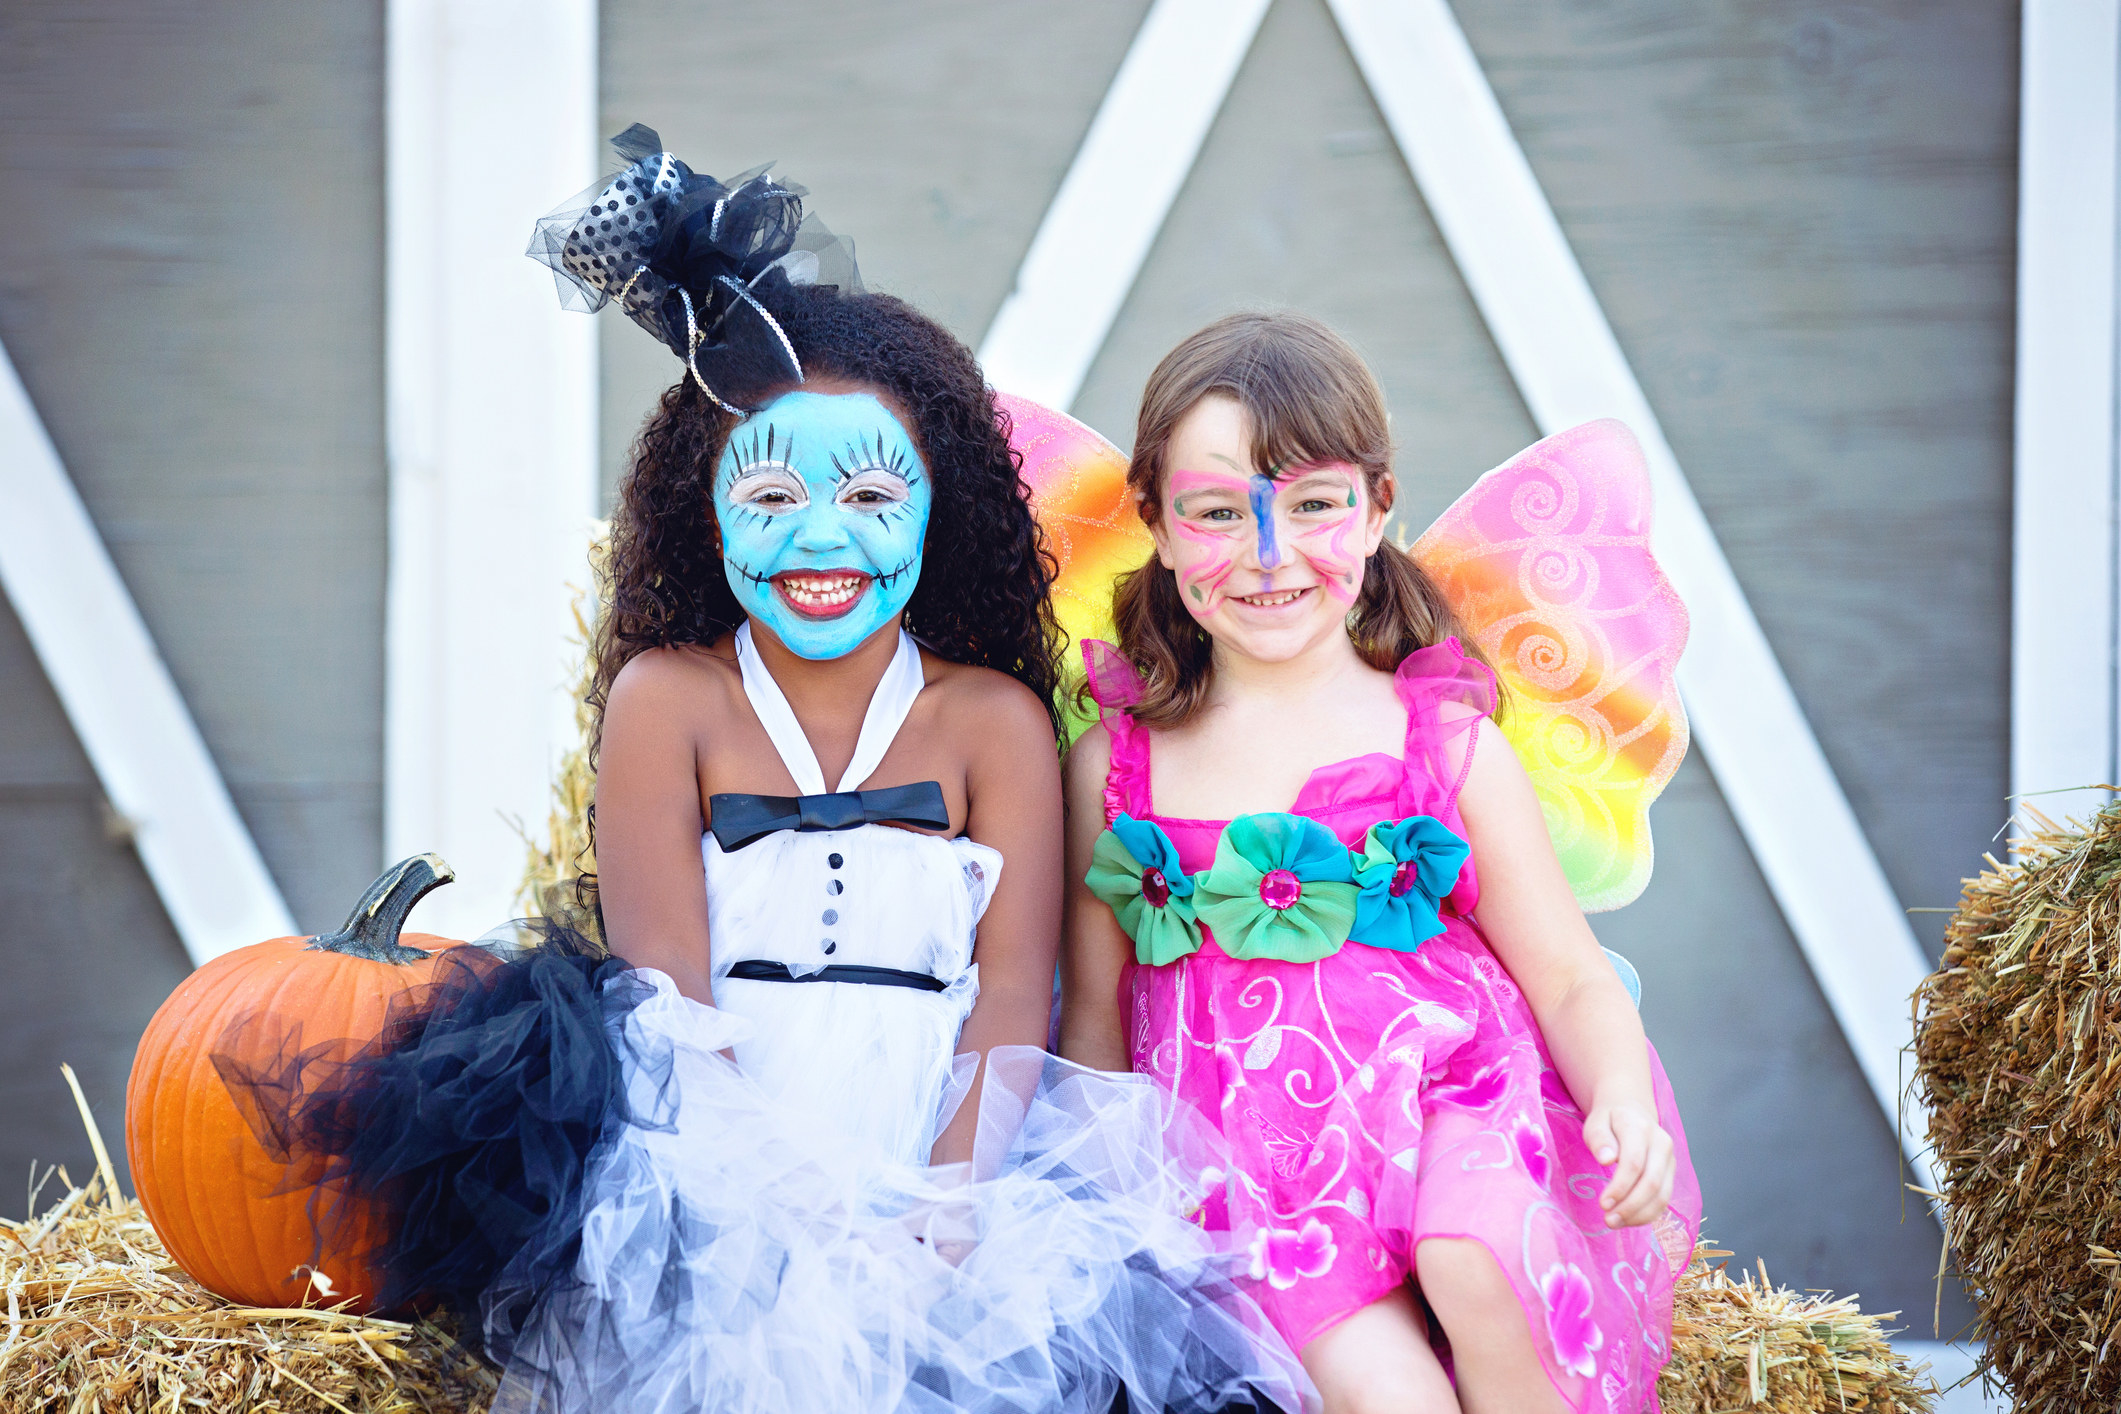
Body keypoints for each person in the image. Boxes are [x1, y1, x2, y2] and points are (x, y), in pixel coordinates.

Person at [242, 130, 1309, 1414]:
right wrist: (784, 1213)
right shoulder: (668, 702)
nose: (820, 537)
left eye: (870, 496)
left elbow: (1013, 985)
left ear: (942, 507)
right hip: (718, 1165)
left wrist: (953, 1205)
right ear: (704, 511)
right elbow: (668, 998)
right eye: (768, 499)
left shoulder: (993, 724)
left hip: (943, 1156)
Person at [1057, 312, 1700, 1414]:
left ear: (1377, 509)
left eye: (1314, 505)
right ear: (1158, 528)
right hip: (1258, 1181)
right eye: (1220, 514)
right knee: (1390, 1397)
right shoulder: (1112, 770)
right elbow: (1097, 1030)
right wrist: (1114, 1219)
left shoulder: (1442, 742)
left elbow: (1567, 973)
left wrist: (1624, 1099)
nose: (1270, 553)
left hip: (1459, 1102)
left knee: (1476, 1253)